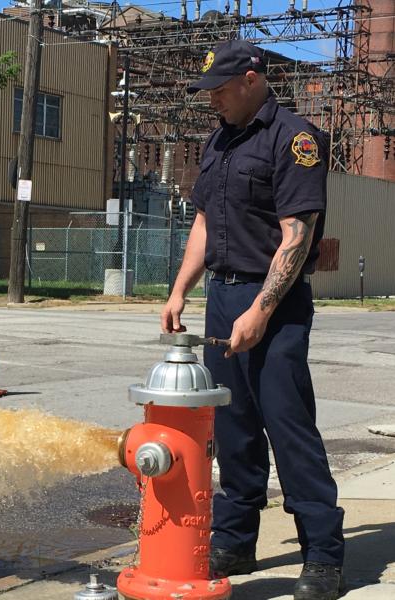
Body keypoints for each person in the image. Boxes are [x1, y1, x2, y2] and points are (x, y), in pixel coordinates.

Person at [161, 40, 345, 600]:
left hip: (277, 304)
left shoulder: (296, 139)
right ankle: (236, 541)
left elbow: (298, 235)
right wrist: (179, 290)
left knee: (289, 430)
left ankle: (323, 557)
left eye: (219, 88)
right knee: (233, 431)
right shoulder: (220, 139)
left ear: (251, 78)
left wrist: (261, 310)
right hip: (222, 298)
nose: (212, 98)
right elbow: (203, 223)